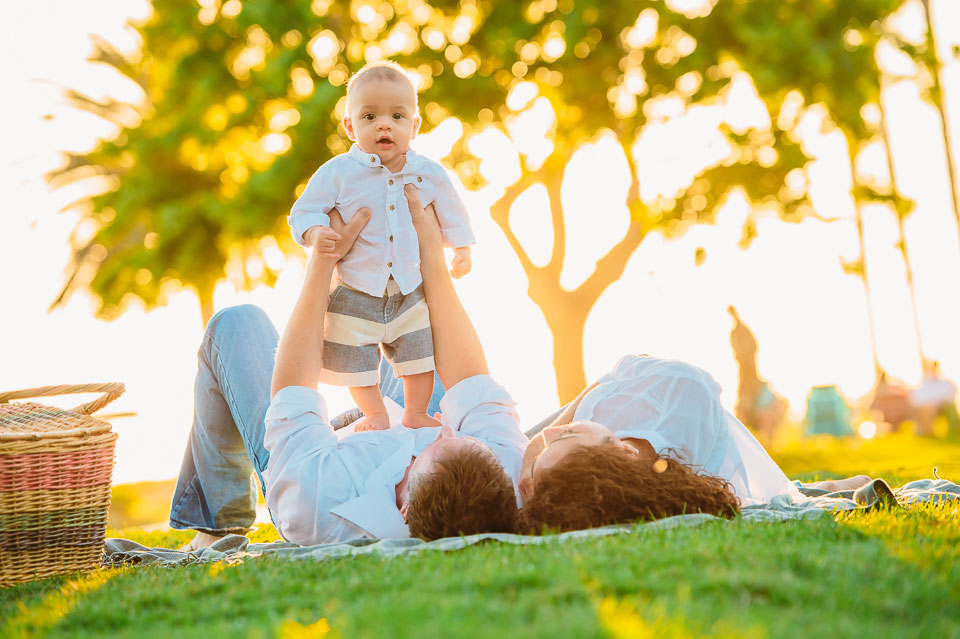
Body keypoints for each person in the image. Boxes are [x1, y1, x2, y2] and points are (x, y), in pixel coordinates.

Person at [170, 190, 526, 549]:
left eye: (437, 446)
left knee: (235, 325)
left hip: (321, 454)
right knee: (417, 340)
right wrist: (431, 251)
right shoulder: (502, 471)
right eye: (459, 436)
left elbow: (295, 389)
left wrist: (324, 264)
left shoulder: (320, 500)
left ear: (404, 511)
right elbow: (471, 381)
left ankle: (217, 525)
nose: (444, 426)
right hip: (394, 418)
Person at [287, 60, 475, 432]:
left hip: (408, 288)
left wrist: (462, 247)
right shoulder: (338, 172)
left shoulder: (429, 172)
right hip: (357, 288)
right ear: (350, 125)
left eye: (397, 116)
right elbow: (303, 211)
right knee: (355, 359)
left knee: (420, 354)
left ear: (415, 126)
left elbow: (453, 209)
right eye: (370, 116)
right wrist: (314, 234)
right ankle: (374, 412)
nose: (384, 125)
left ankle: (416, 412)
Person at [516, 356, 870, 533]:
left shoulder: (680, 391)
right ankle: (821, 488)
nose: (549, 432)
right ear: (623, 451)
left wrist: (533, 449)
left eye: (562, 436)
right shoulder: (684, 419)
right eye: (563, 436)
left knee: (794, 493)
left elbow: (624, 366)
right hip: (733, 477)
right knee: (792, 496)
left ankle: (817, 488)